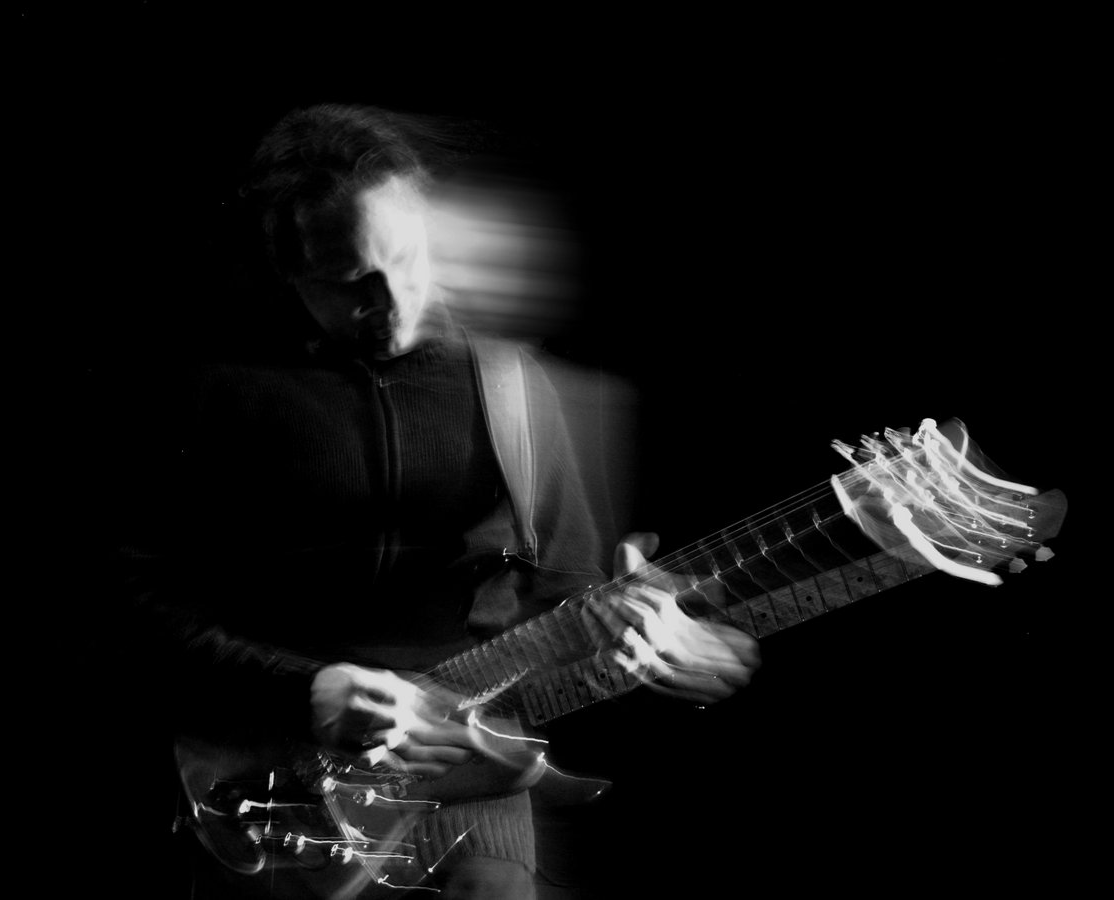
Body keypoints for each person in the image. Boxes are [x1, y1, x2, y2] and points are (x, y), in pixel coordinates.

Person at [115, 102, 759, 899]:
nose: (393, 302)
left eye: (408, 261)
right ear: (289, 271)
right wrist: (303, 691)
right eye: (350, 282)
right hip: (266, 785)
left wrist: (655, 641)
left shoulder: (514, 385)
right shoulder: (203, 390)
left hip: (471, 772)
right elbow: (129, 605)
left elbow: (563, 604)